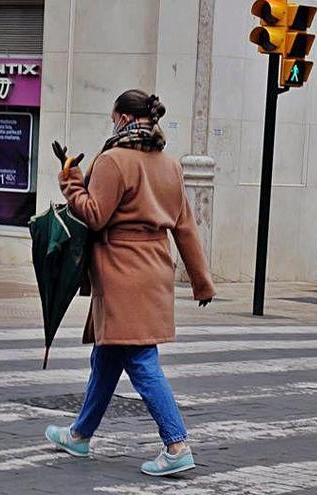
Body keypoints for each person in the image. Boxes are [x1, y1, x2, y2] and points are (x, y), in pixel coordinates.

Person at [44, 90, 215, 477]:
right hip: (154, 265)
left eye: (113, 116)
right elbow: (185, 227)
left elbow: (95, 215)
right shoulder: (170, 165)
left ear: (122, 118)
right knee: (107, 356)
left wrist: (71, 182)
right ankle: (80, 434)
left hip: (121, 268)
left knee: (139, 358)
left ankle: (176, 444)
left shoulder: (113, 160)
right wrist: (201, 281)